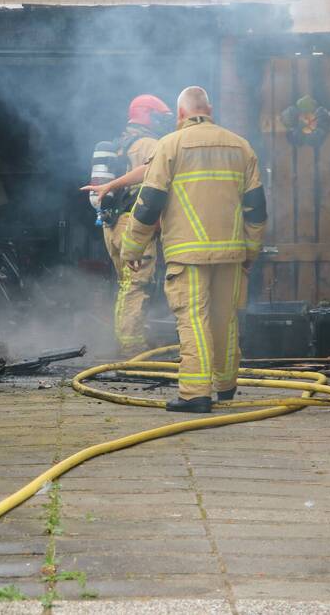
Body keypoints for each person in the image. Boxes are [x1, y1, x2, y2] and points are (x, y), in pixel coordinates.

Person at [119, 86, 266, 413]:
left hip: (188, 255)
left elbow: (148, 204)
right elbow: (257, 209)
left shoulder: (169, 145)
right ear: (209, 110)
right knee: (225, 320)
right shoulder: (241, 146)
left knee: (193, 321)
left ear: (181, 113)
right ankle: (225, 386)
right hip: (231, 253)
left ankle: (195, 393)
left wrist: (130, 248)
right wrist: (250, 253)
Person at [83, 94, 172, 357]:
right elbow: (157, 178)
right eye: (159, 117)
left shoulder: (119, 143)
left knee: (126, 283)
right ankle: (132, 347)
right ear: (147, 115)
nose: (162, 123)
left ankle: (130, 339)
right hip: (134, 224)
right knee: (137, 284)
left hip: (111, 222)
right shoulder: (149, 144)